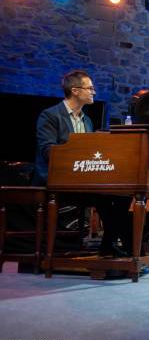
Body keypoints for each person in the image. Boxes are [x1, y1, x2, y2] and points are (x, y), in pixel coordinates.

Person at [33, 70, 132, 257]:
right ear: (76, 91)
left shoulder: (87, 120)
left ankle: (109, 243)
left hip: (80, 179)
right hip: (55, 178)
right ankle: (118, 243)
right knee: (103, 195)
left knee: (123, 193)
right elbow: (48, 151)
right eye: (91, 88)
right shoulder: (50, 115)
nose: (94, 92)